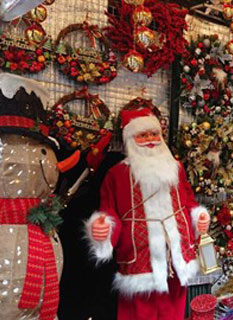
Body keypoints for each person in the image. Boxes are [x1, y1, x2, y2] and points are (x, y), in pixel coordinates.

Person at [85, 107, 211, 320]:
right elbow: (110, 211)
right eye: (143, 135)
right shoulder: (117, 174)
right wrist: (103, 228)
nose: (150, 139)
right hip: (140, 259)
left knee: (174, 310)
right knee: (138, 312)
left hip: (176, 258)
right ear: (130, 138)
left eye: (154, 134)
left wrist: (197, 217)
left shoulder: (175, 168)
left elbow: (187, 201)